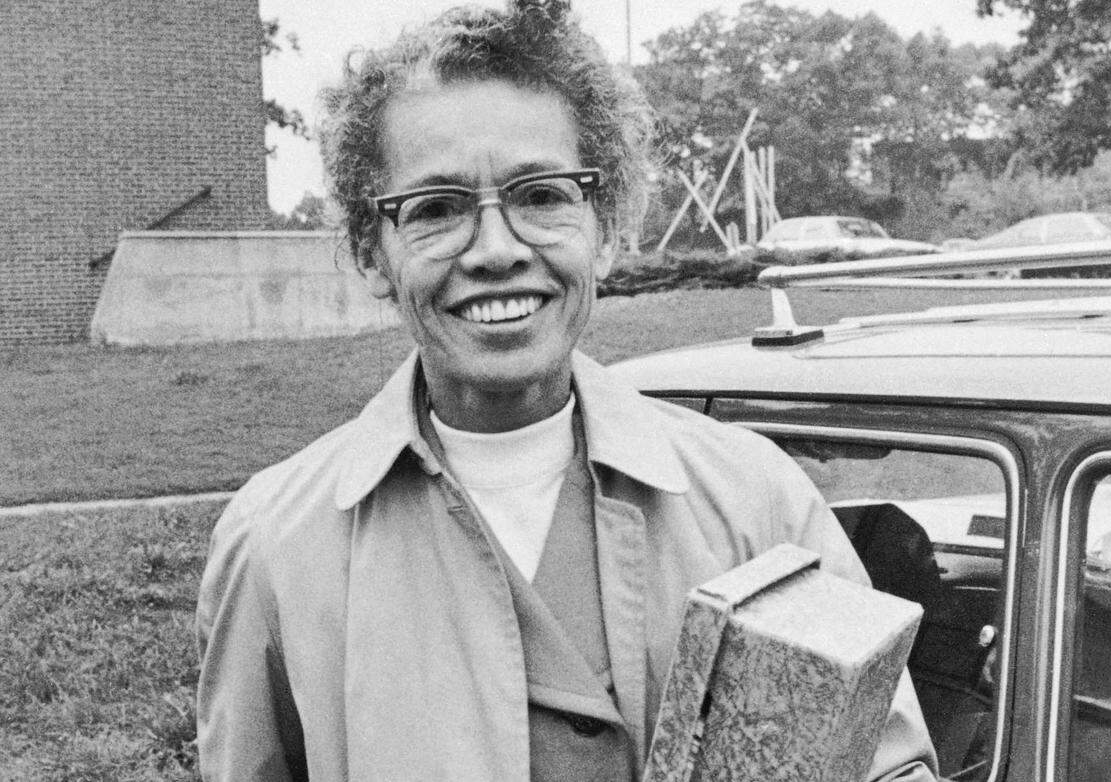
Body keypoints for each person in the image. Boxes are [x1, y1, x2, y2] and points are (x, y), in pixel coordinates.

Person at [195, 1, 939, 779]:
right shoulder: (277, 545)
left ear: (607, 225)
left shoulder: (758, 503)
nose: (494, 249)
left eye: (542, 195)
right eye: (437, 209)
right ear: (372, 253)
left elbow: (879, 762)